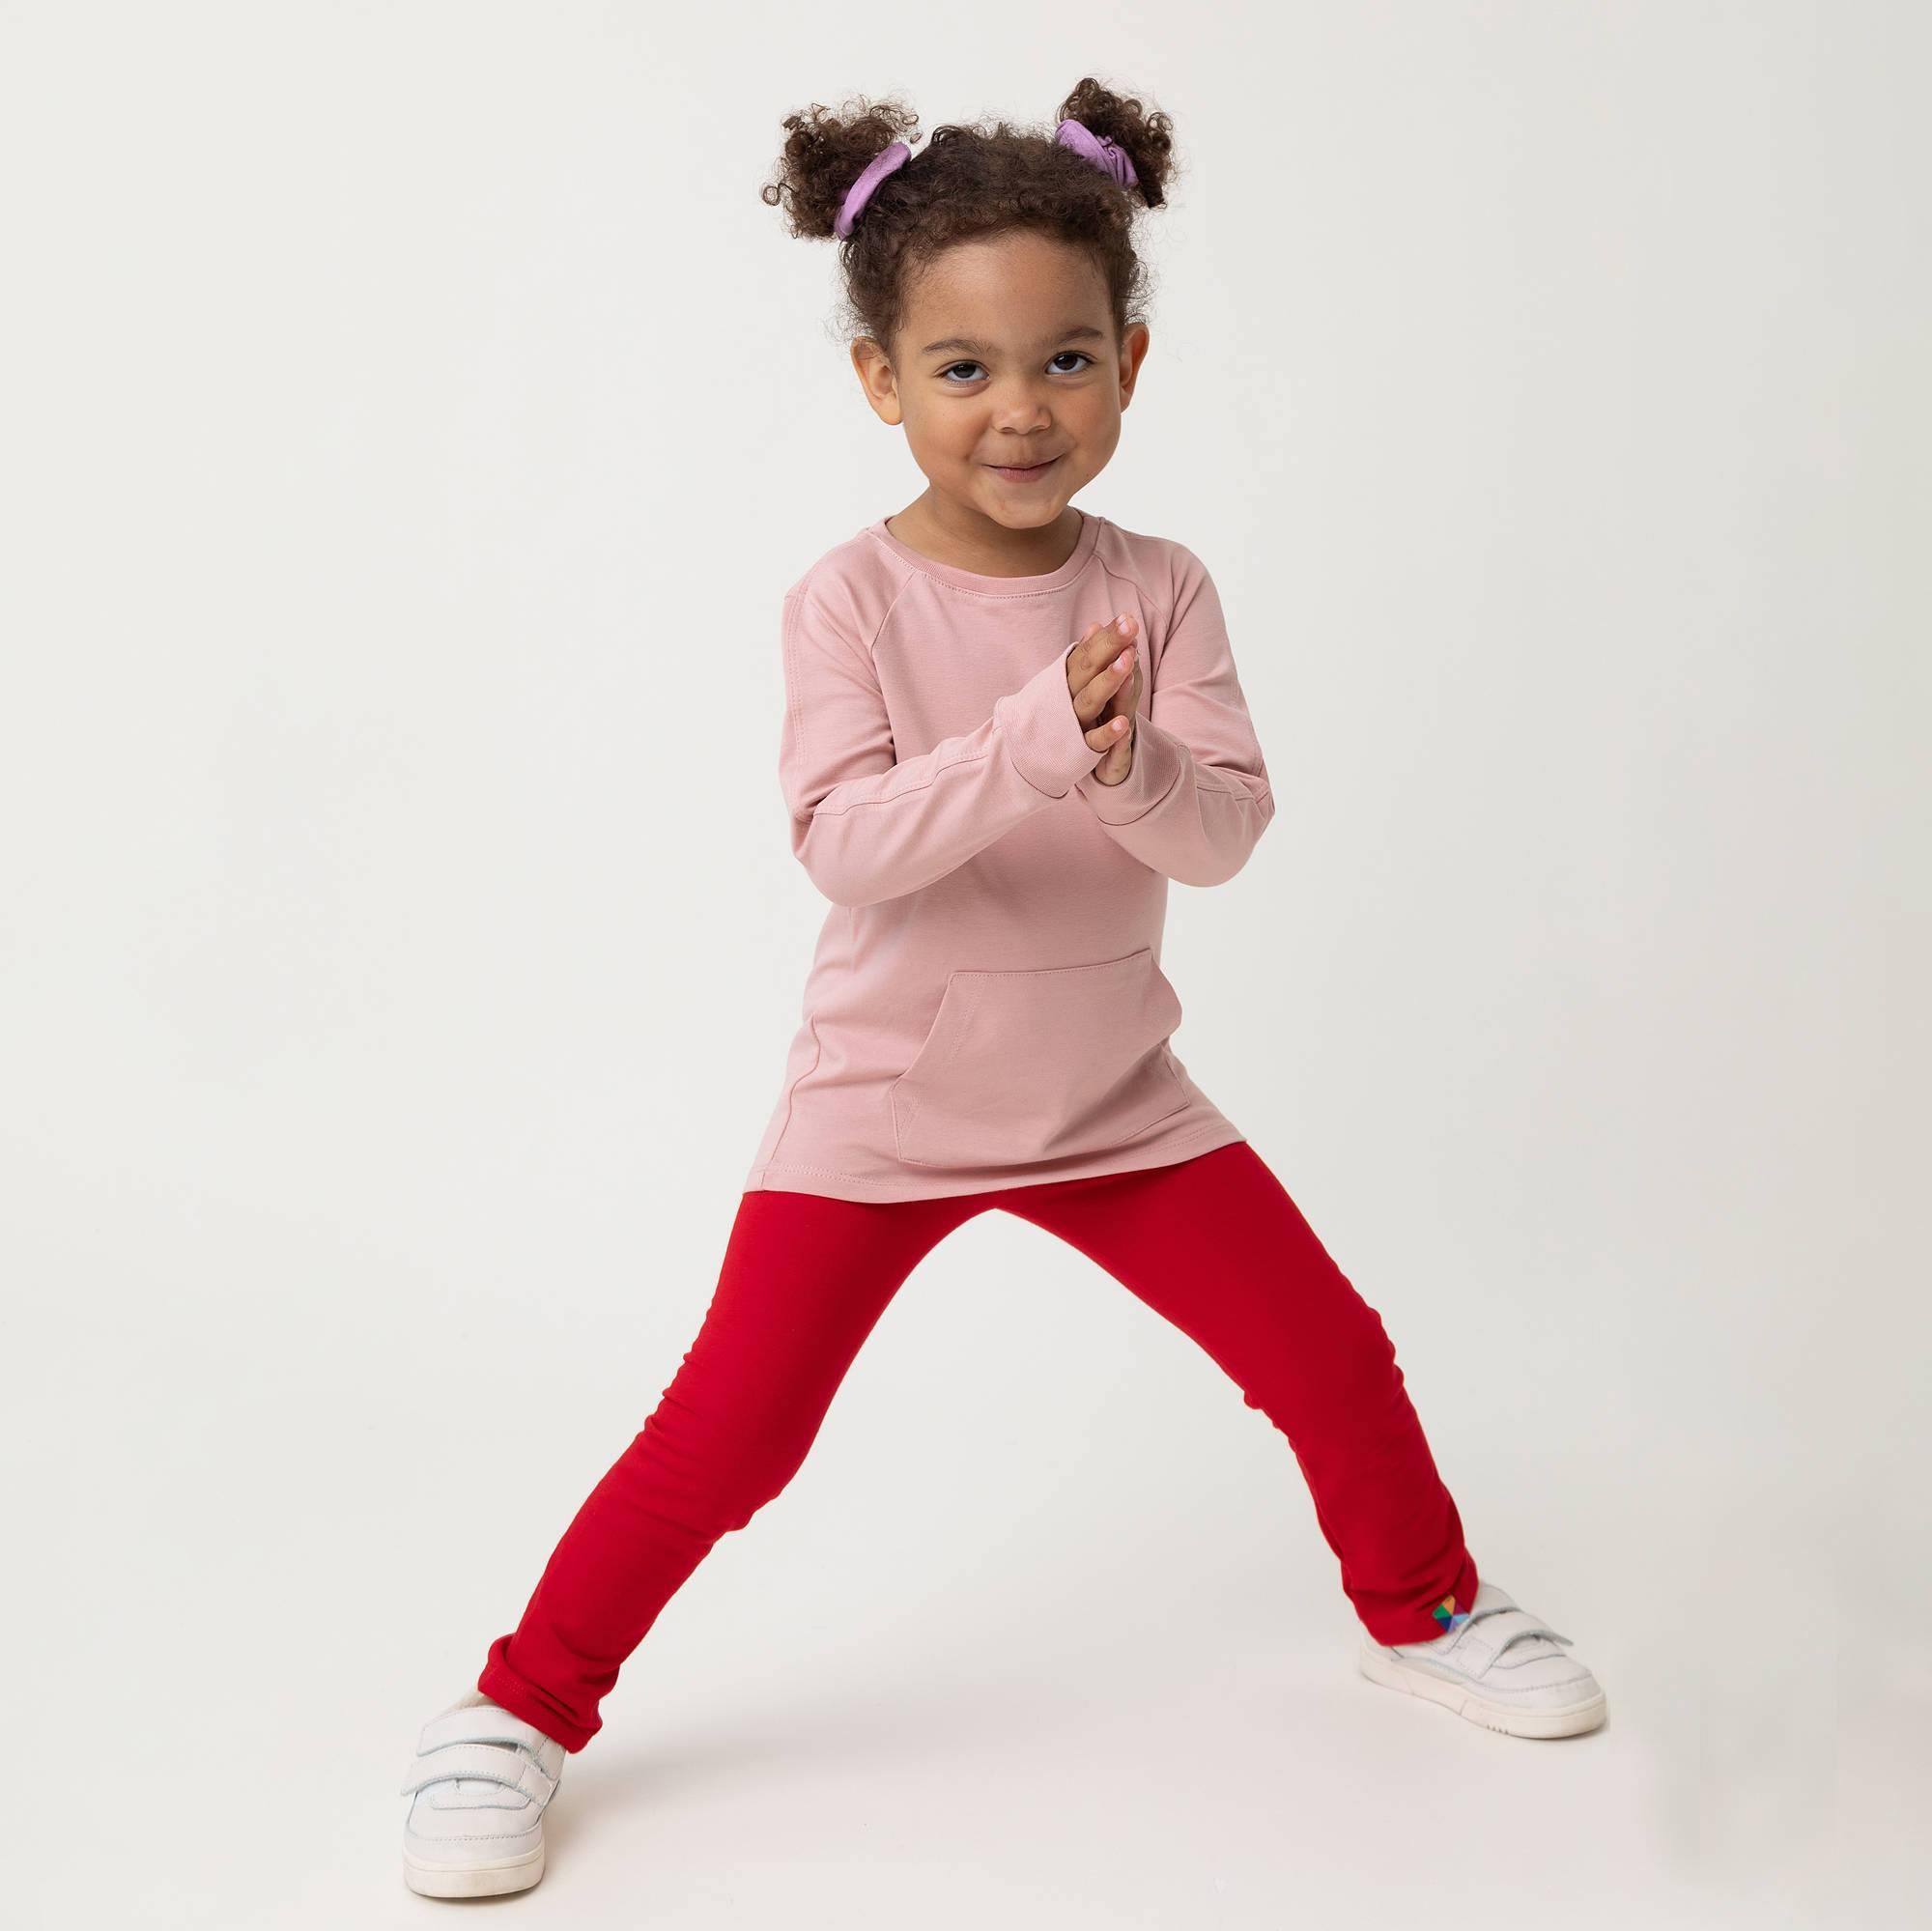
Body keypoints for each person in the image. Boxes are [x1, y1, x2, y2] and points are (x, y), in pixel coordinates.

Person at [398, 77, 1606, 1900]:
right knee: (728, 1441)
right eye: (961, 370)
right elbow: (848, 845)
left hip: (1117, 1099)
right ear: (881, 381)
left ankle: (1422, 1605)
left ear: (1131, 361)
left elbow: (1224, 839)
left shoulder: (1162, 583)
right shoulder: (849, 605)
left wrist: (1125, 770)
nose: (1018, 410)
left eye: (1063, 360)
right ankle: (516, 1712)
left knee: (1329, 1355)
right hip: (887, 1110)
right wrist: (1041, 740)